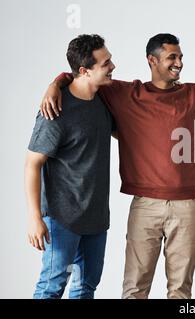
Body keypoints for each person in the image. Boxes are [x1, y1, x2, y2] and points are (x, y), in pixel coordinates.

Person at [40, 33, 195, 299]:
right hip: (145, 204)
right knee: (135, 286)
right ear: (152, 60)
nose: (179, 63)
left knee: (181, 289)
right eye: (172, 57)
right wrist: (56, 83)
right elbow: (83, 77)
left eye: (180, 57)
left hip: (187, 204)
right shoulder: (125, 93)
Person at [25, 34, 116, 299]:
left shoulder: (103, 99)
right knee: (52, 287)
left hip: (96, 218)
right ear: (85, 71)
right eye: (106, 63)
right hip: (61, 217)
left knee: (86, 287)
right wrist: (35, 218)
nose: (113, 66)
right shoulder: (55, 110)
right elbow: (32, 163)